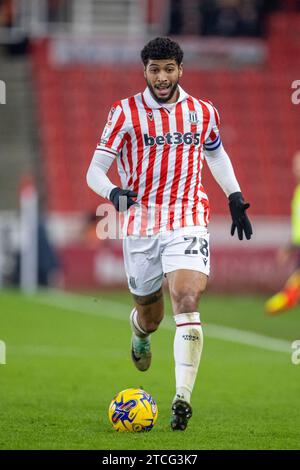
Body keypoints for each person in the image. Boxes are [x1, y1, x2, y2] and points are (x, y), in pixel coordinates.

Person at [86, 37, 252, 431]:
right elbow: (94, 170)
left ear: (181, 69)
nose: (162, 77)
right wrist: (112, 191)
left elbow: (215, 152)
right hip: (141, 224)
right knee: (151, 315)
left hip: (188, 218)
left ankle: (182, 399)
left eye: (169, 69)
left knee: (187, 298)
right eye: (154, 69)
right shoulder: (124, 113)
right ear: (144, 71)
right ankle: (139, 330)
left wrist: (234, 194)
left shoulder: (202, 111)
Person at [265, 150, 300, 315]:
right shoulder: (298, 192)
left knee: (290, 292)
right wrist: (290, 246)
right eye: (296, 165)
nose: (296, 168)